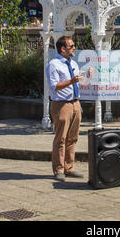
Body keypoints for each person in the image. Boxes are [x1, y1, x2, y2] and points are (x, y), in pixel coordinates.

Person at [46, 36, 84, 182]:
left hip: (75, 102)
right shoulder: (54, 65)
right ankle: (58, 169)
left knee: (73, 138)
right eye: (71, 46)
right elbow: (54, 85)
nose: (74, 48)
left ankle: (69, 167)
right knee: (61, 138)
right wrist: (71, 81)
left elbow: (77, 84)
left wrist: (85, 77)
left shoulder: (73, 63)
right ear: (63, 49)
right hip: (61, 104)